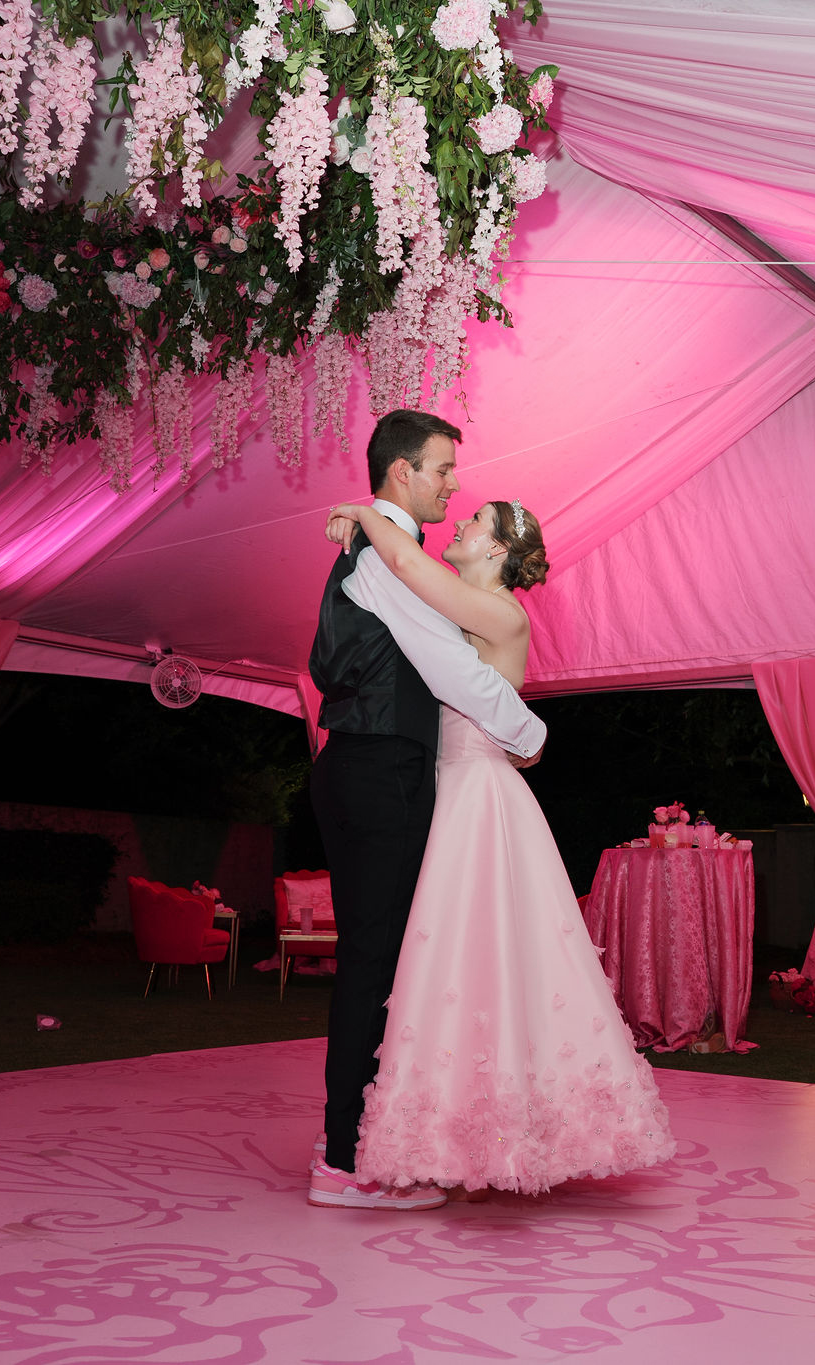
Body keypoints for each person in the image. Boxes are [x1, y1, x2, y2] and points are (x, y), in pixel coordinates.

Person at [324, 495, 676, 1195]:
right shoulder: (459, 613)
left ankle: (497, 1133)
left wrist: (364, 515)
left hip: (477, 798)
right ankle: (453, 1131)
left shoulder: (501, 614)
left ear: (494, 550)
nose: (457, 522)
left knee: (479, 960)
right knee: (456, 967)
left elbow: (404, 565)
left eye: (474, 521)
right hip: (447, 788)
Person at [307, 410, 547, 1210]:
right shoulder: (385, 555)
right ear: (402, 471)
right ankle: (346, 1159)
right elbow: (453, 672)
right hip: (381, 773)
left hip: (380, 771)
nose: (454, 484)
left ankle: (365, 1139)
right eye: (443, 469)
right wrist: (531, 735)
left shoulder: (383, 545)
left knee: (390, 963)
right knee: (374, 964)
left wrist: (364, 515)